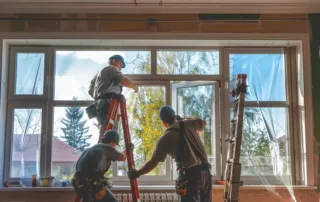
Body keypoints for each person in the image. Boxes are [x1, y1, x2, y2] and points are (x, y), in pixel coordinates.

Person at [127, 105, 212, 202]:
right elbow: (202, 123)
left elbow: (153, 162)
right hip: (206, 173)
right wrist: (184, 119)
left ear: (164, 123)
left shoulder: (166, 138)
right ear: (175, 116)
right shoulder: (189, 123)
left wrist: (137, 173)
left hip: (191, 177)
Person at [72, 130, 134, 202]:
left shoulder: (91, 149)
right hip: (91, 186)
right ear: (111, 142)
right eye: (115, 144)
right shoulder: (107, 148)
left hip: (79, 186)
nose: (115, 147)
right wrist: (129, 148)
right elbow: (122, 157)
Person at [87, 54, 139, 133]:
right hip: (108, 104)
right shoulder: (112, 68)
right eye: (120, 63)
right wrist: (134, 86)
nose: (121, 66)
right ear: (113, 61)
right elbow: (122, 79)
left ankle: (103, 144)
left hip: (99, 106)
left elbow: (90, 91)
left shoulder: (96, 76)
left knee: (104, 128)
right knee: (111, 131)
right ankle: (107, 144)